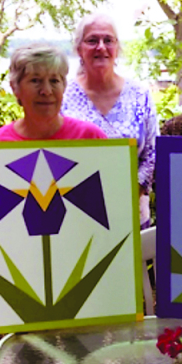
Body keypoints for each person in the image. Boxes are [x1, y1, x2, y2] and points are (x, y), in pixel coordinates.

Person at [61, 12, 158, 228]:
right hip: (74, 215)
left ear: (117, 48)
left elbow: (152, 154)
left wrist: (128, 195)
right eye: (92, 40)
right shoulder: (62, 95)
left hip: (131, 212)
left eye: (108, 40)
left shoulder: (139, 94)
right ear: (79, 49)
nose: (101, 47)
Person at [0, 43, 106, 141]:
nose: (46, 91)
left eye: (54, 81)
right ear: (15, 87)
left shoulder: (90, 138)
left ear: (64, 86)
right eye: (35, 81)